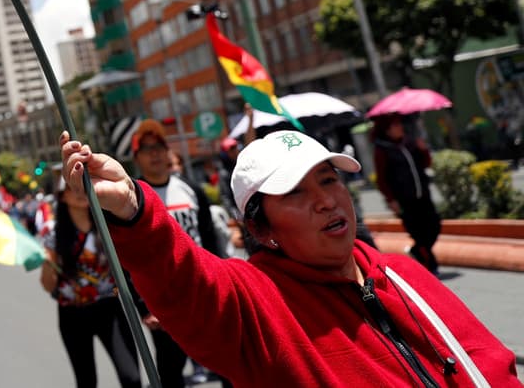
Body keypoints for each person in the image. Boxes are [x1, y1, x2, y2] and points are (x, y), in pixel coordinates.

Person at [60, 128, 521, 386]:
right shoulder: (256, 301)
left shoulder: (401, 272)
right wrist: (133, 210)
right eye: (295, 192)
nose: (326, 200)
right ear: (262, 228)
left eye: (328, 179)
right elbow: (188, 279)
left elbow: (491, 365)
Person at [129, 120, 227, 388]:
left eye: (159, 147)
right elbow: (128, 257)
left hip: (202, 294)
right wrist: (142, 307)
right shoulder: (133, 198)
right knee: (171, 373)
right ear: (137, 157)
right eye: (147, 148)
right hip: (162, 304)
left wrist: (221, 284)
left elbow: (211, 242)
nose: (155, 153)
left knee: (228, 365)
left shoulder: (191, 190)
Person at [38, 177, 141, 388]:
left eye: (82, 186)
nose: (79, 191)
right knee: (86, 381)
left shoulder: (107, 225)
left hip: (109, 311)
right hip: (73, 316)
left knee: (132, 378)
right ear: (62, 196)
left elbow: (128, 269)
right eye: (70, 187)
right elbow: (48, 286)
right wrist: (48, 263)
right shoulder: (54, 235)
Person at [373, 114, 442, 274]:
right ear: (387, 130)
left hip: (422, 195)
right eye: (395, 125)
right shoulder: (382, 149)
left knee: (434, 226)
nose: (399, 128)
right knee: (418, 232)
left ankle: (418, 251)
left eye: (399, 124)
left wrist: (423, 150)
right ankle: (431, 265)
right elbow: (381, 179)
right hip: (405, 199)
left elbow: (425, 163)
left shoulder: (410, 143)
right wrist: (391, 200)